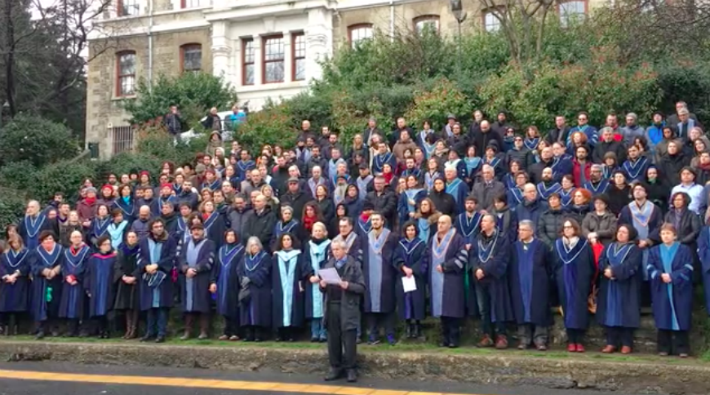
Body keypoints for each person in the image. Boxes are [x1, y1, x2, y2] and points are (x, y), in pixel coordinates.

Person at [320, 238, 366, 383]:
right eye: (333, 250)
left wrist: (348, 285)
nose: (335, 252)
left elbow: (362, 287)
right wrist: (322, 285)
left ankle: (351, 368)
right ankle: (335, 367)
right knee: (333, 339)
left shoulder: (354, 265)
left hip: (348, 306)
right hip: (332, 305)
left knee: (349, 338)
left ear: (345, 250)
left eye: (338, 249)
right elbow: (323, 290)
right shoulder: (329, 265)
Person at [647, 224, 694, 357]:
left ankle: (682, 348)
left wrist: (673, 276)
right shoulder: (654, 250)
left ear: (674, 235)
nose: (666, 236)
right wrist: (660, 275)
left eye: (668, 233)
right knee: (663, 315)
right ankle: (663, 347)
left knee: (681, 316)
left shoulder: (684, 249)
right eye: (663, 233)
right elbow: (650, 266)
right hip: (661, 287)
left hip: (679, 288)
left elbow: (688, 267)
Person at [597, 224, 642, 354]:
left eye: (624, 232)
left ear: (630, 235)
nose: (621, 234)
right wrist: (605, 270)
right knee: (610, 313)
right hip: (609, 285)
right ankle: (611, 342)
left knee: (626, 313)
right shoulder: (609, 247)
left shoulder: (634, 249)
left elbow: (631, 265)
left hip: (626, 285)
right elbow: (601, 260)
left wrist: (614, 272)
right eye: (619, 231)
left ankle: (627, 343)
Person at [470, 214, 513, 349]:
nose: (483, 223)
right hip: (479, 278)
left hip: (494, 277)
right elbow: (473, 255)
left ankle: (501, 335)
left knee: (498, 306)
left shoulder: (501, 238)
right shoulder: (477, 238)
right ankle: (487, 335)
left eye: (486, 221)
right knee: (483, 308)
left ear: (493, 223)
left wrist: (485, 270)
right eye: (482, 221)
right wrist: (476, 268)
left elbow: (501, 257)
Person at [553, 219, 595, 353]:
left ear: (575, 228)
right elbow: (554, 264)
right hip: (564, 282)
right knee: (567, 309)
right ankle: (571, 340)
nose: (567, 230)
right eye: (565, 227)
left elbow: (589, 265)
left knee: (580, 309)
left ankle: (580, 340)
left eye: (570, 227)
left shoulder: (584, 245)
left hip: (579, 283)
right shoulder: (558, 245)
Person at [509, 220, 551, 350]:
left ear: (531, 231)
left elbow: (549, 266)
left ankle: (540, 339)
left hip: (538, 285)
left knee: (538, 310)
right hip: (519, 284)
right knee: (521, 310)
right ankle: (524, 339)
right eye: (519, 230)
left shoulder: (541, 247)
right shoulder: (514, 247)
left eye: (523, 230)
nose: (520, 232)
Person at [428, 215, 467, 348]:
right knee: (442, 312)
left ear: (450, 224)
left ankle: (454, 339)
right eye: (439, 223)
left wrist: (446, 266)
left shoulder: (457, 238)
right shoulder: (433, 239)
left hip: (452, 279)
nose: (440, 225)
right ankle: (444, 338)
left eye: (443, 223)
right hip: (436, 280)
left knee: (452, 310)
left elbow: (462, 257)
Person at [361, 212, 398, 345]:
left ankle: (390, 334)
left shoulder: (391, 237)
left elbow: (395, 255)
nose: (375, 222)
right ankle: (373, 334)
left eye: (377, 219)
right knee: (370, 307)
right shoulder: (366, 237)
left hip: (386, 276)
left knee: (387, 305)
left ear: (383, 221)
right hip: (369, 276)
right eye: (373, 220)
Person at [139, 218, 177, 343]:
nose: (159, 228)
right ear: (151, 229)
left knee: (162, 307)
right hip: (149, 276)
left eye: (161, 226)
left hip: (163, 277)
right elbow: (140, 256)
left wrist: (158, 265)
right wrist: (146, 266)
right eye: (156, 226)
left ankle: (161, 333)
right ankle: (150, 332)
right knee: (150, 306)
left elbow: (172, 257)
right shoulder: (144, 241)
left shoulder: (169, 240)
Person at [178, 223, 215, 340]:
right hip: (187, 277)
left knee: (203, 304)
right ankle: (187, 331)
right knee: (188, 305)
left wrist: (196, 269)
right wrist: (185, 268)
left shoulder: (209, 244)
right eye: (194, 230)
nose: (196, 232)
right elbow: (180, 258)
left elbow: (209, 259)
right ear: (190, 232)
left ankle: (204, 331)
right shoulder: (185, 244)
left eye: (199, 230)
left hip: (202, 277)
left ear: (203, 231)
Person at [393, 221, 427, 339]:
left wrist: (413, 270)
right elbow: (396, 258)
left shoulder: (421, 244)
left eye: (412, 230)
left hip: (416, 277)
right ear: (405, 231)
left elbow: (424, 259)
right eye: (408, 230)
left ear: (416, 231)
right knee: (405, 301)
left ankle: (418, 327)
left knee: (417, 302)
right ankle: (408, 327)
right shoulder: (400, 244)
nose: (410, 232)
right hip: (403, 277)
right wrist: (403, 267)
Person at [211, 229, 245, 341]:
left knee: (233, 307)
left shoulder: (241, 250)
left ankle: (236, 332)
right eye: (228, 235)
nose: (230, 237)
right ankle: (227, 331)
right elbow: (215, 267)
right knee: (223, 306)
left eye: (232, 235)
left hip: (234, 282)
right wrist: (213, 281)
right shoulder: (221, 250)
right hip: (222, 282)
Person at [237, 236, 273, 342]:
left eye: (256, 244)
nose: (254, 247)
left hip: (260, 288)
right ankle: (248, 334)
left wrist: (251, 278)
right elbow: (239, 270)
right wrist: (243, 279)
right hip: (247, 289)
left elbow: (265, 270)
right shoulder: (244, 258)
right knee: (246, 311)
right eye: (252, 245)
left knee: (259, 311)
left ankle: (258, 334)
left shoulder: (265, 257)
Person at [30, 231, 64, 339]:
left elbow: (64, 263)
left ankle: (54, 327)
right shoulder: (36, 251)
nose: (48, 241)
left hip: (55, 281)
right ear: (42, 241)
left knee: (54, 304)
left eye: (50, 239)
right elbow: (34, 265)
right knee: (41, 305)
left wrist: (55, 271)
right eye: (46, 240)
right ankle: (41, 329)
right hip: (42, 282)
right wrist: (44, 271)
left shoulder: (60, 250)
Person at [85, 235, 118, 338]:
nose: (107, 246)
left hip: (108, 287)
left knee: (108, 309)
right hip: (97, 288)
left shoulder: (114, 258)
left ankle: (107, 331)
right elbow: (88, 274)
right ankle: (100, 330)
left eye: (109, 244)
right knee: (98, 309)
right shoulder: (93, 259)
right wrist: (88, 288)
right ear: (99, 246)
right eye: (105, 244)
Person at [304, 222, 331, 342]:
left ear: (325, 232)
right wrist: (310, 275)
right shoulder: (308, 245)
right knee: (313, 308)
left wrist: (321, 276)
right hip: (312, 281)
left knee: (324, 306)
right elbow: (305, 262)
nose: (318, 233)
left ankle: (323, 332)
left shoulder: (329, 245)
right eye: (316, 230)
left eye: (320, 230)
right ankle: (314, 332)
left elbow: (329, 262)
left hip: (324, 280)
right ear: (312, 233)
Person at [113, 230, 141, 339]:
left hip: (135, 281)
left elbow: (141, 265)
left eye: (134, 237)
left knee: (134, 307)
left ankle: (134, 330)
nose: (132, 239)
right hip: (124, 281)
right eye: (129, 237)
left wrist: (134, 277)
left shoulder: (140, 250)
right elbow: (117, 265)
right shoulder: (121, 250)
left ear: (137, 238)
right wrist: (123, 276)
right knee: (127, 307)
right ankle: (128, 330)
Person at [0, 237, 30, 335]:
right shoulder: (5, 255)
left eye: (17, 242)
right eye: (13, 242)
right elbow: (2, 266)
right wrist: (7, 276)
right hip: (7, 282)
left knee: (18, 304)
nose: (15, 244)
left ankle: (18, 328)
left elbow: (27, 266)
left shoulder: (26, 253)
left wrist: (16, 274)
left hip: (20, 281)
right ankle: (6, 328)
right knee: (6, 304)